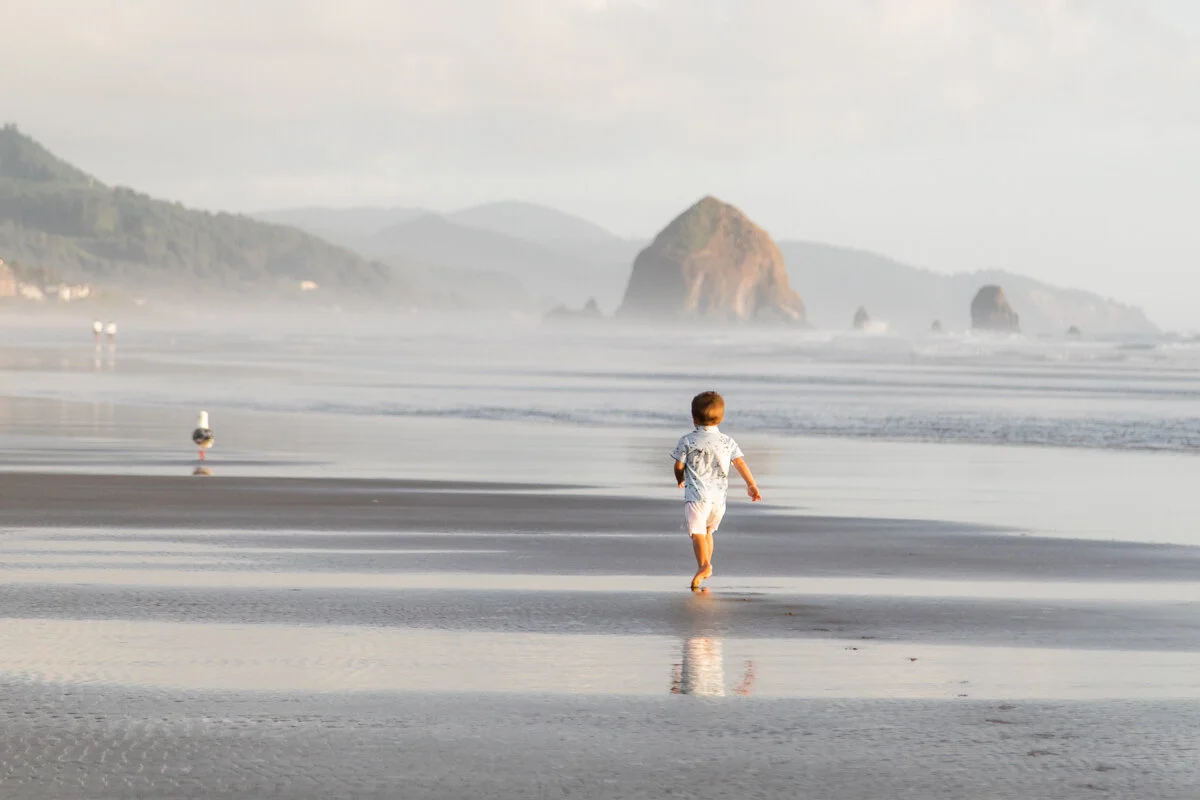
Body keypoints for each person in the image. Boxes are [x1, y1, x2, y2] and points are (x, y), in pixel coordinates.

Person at [671, 391, 761, 590]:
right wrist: (751, 485)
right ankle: (707, 566)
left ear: (694, 418)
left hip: (697, 497)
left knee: (697, 534)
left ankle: (703, 565)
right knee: (709, 531)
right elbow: (739, 462)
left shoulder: (687, 440)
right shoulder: (727, 441)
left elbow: (678, 466)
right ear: (721, 417)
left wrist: (680, 479)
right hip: (718, 501)